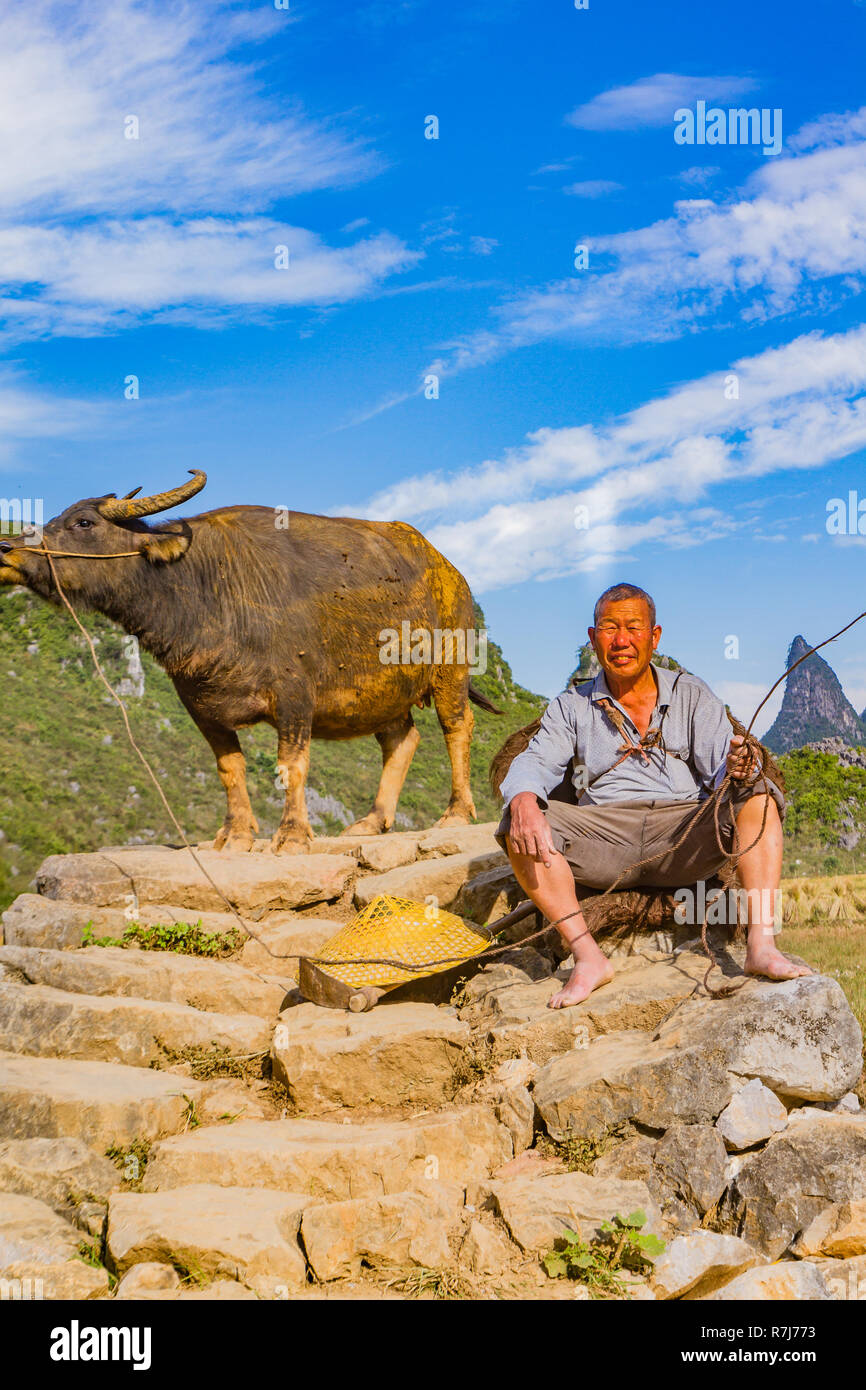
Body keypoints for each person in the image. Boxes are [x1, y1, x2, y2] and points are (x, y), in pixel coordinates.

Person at [496, 582, 811, 1010]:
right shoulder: (571, 705)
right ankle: (588, 958)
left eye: (633, 627)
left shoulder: (691, 693)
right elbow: (534, 763)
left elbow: (723, 763)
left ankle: (762, 946)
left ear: (654, 636)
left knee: (758, 793)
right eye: (609, 628)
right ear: (593, 638)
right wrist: (524, 801)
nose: (621, 640)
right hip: (605, 837)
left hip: (685, 831)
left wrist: (739, 766)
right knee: (521, 819)